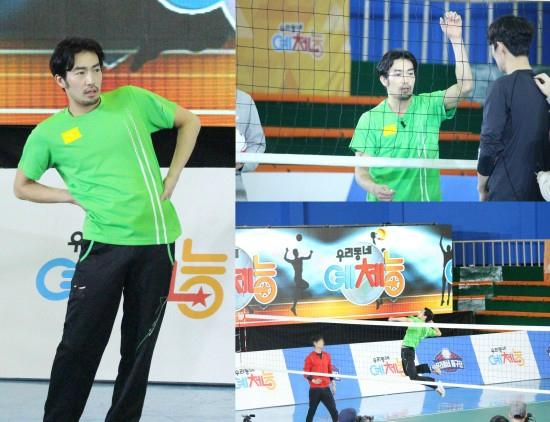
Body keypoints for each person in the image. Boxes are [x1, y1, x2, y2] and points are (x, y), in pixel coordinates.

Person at [13, 37, 200, 421]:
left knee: (138, 349)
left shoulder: (131, 101)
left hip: (157, 243)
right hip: (102, 248)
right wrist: (68, 195)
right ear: (61, 80)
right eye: (80, 72)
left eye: (96, 70)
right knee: (78, 345)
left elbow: (190, 121)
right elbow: (23, 186)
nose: (91, 80)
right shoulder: (48, 134)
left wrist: (173, 176)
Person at [350, 11, 472, 201]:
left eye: (410, 73)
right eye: (398, 74)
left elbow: (465, 87)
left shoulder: (430, 105)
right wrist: (374, 187)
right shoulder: (370, 119)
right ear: (384, 79)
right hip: (384, 208)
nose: (406, 80)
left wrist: (456, 40)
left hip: (426, 208)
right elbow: (361, 171)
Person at [477, 15, 550, 201]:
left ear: (500, 47)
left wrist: (481, 186)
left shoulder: (500, 87)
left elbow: (489, 144)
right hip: (540, 196)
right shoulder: (546, 87)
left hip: (506, 194)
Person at [389, 308, 445, 396]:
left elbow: (406, 320)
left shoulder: (416, 321)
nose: (419, 312)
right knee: (407, 372)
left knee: (413, 377)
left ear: (424, 316)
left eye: (421, 312)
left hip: (407, 351)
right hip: (409, 351)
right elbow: (439, 333)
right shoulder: (427, 329)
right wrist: (432, 324)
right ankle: (431, 368)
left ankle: (435, 384)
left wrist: (393, 319)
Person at [236, 89, 266, 201]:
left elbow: (257, 144)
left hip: (234, 183)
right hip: (197, 176)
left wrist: (241, 164)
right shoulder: (193, 96)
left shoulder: (244, 100)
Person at [304, 335, 339, 422]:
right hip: (315, 390)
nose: (323, 343)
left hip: (326, 389)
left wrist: (333, 384)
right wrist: (314, 380)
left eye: (323, 341)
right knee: (311, 411)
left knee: (334, 410)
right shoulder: (309, 357)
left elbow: (330, 371)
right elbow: (305, 373)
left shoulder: (327, 355)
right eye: (320, 341)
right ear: (315, 343)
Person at [284, 247, 313, 315]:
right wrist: (286, 252)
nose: (297, 253)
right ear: (294, 254)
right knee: (304, 287)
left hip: (299, 278)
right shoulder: (294, 261)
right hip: (297, 278)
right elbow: (285, 259)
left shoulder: (300, 259)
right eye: (296, 252)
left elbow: (308, 257)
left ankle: (293, 307)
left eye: (297, 252)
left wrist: (310, 253)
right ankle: (294, 305)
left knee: (303, 288)